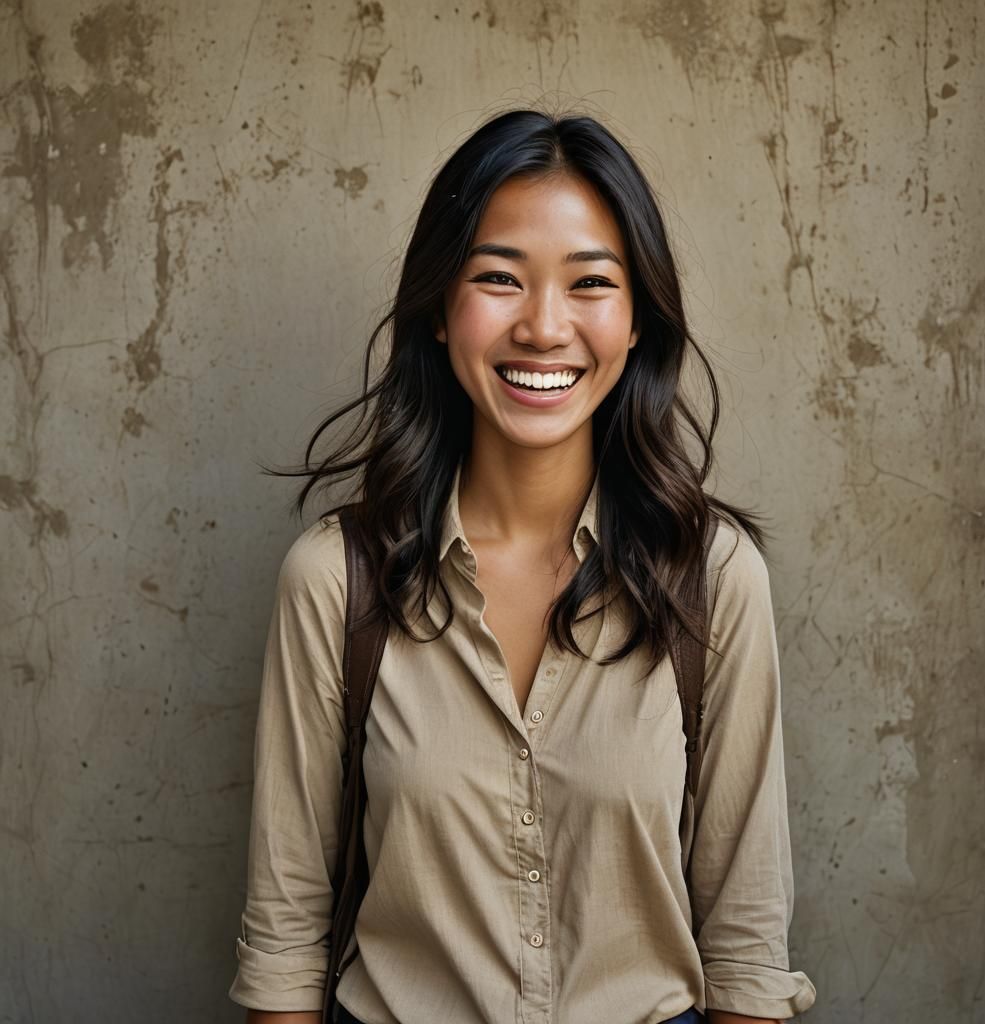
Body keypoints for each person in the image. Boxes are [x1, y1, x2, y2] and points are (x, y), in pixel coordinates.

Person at [227, 108, 817, 1024]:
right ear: (437, 311)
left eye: (590, 283)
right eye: (498, 278)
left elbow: (745, 952)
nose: (544, 327)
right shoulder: (335, 579)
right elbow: (284, 943)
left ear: (635, 323)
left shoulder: (713, 578)